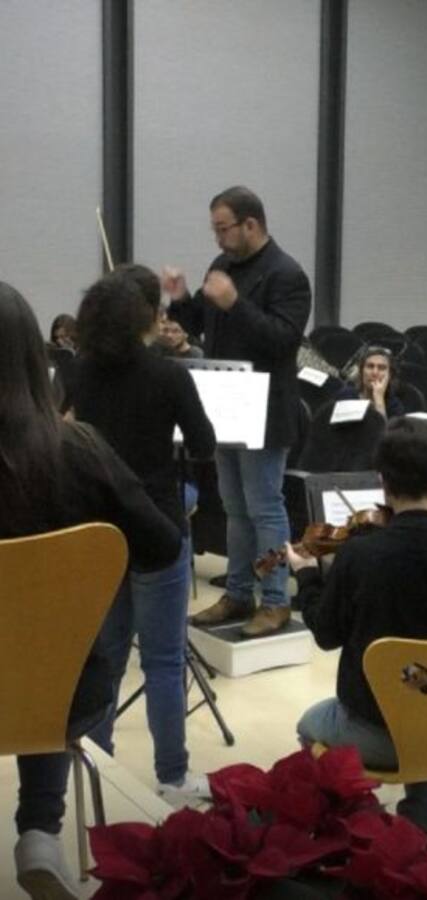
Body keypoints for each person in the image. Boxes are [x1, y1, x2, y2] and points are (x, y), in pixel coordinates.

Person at [1, 282, 181, 896]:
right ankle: (40, 831)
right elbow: (163, 546)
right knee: (49, 657)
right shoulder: (80, 450)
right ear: (36, 359)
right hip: (66, 694)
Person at [293, 418, 427, 833]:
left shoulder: (359, 556)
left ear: (382, 483)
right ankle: (418, 821)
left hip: (374, 732)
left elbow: (326, 635)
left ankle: (362, 819)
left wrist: (308, 576)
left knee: (308, 725)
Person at [65, 267, 216, 805]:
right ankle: (172, 777)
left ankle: (100, 764)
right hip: (156, 527)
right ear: (144, 319)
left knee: (106, 656)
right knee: (163, 660)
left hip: (102, 531)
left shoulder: (79, 374)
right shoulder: (168, 376)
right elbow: (203, 445)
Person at [165, 185, 312, 637]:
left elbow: (283, 341)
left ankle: (275, 600)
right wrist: (180, 298)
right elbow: (197, 322)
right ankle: (238, 592)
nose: (218, 238)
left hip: (265, 409)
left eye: (223, 228)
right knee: (233, 506)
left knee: (264, 506)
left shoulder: (287, 274)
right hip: (225, 404)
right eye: (214, 229)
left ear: (251, 224)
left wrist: (235, 303)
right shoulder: (222, 266)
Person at [339, 345, 404, 418]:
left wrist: (379, 399)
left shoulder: (394, 406)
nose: (375, 372)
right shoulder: (346, 395)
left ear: (390, 375)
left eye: (381, 368)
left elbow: (383, 426)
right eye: (370, 366)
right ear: (361, 371)